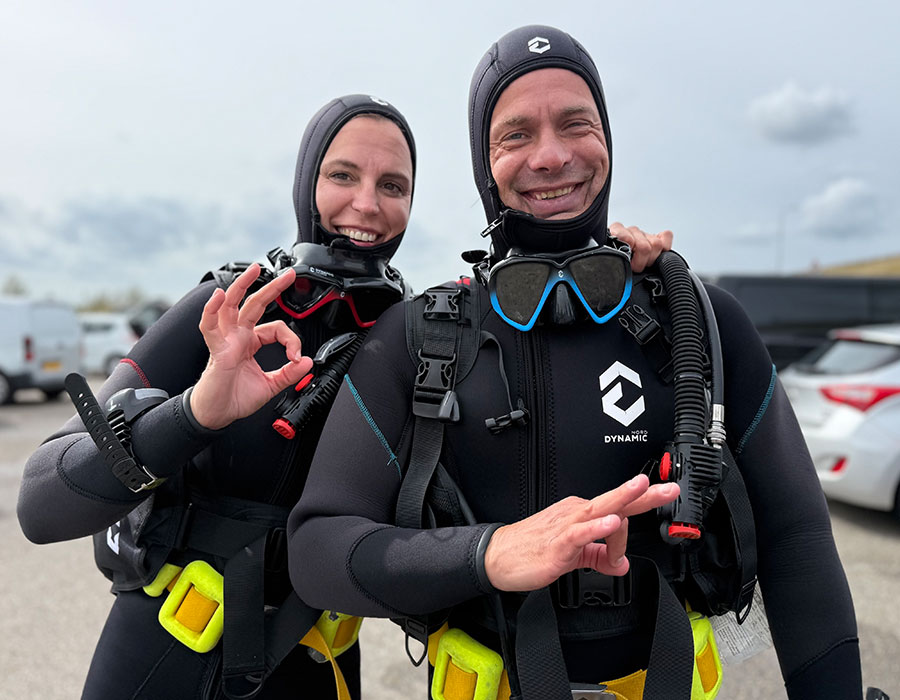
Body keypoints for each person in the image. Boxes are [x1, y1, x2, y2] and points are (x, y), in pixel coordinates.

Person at [285, 25, 862, 700]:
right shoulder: (420, 336)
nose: (552, 155)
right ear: (483, 163)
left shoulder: (701, 321)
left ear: (607, 139)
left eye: (575, 124)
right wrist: (488, 553)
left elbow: (798, 540)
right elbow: (318, 548)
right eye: (516, 134)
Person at [17, 94, 419, 699]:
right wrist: (193, 414)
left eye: (392, 185)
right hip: (164, 655)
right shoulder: (229, 307)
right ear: (306, 184)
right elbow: (41, 503)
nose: (367, 203)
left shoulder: (416, 341)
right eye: (342, 175)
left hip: (314, 661)